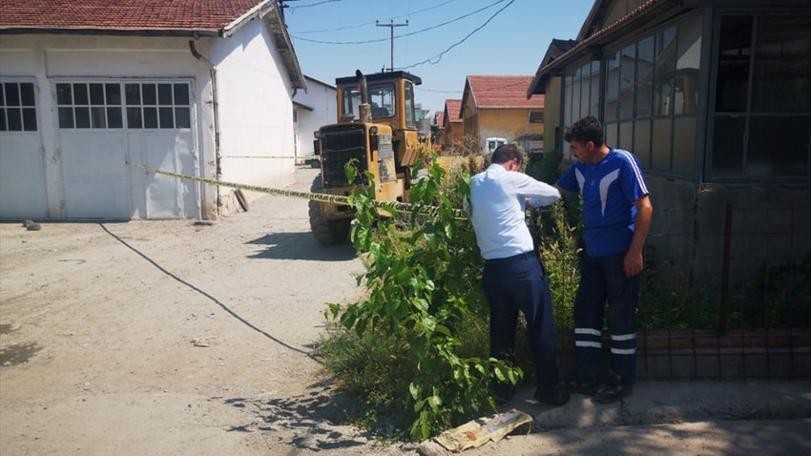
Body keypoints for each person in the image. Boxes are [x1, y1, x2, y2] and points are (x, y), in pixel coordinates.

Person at [556, 116, 653, 403]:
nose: (572, 153)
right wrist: (522, 195)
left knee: (620, 315)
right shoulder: (581, 168)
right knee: (586, 312)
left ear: (589, 145)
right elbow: (557, 190)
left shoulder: (623, 162)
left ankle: (622, 379)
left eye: (575, 147)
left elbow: (646, 207)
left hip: (621, 254)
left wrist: (635, 251)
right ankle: (587, 376)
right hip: (593, 254)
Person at [468, 144, 569, 407]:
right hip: (521, 267)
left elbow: (475, 212)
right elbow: (552, 195)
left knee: (501, 331)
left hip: (493, 269)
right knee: (540, 325)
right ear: (513, 162)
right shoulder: (512, 178)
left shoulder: (475, 183)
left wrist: (520, 201)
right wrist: (528, 198)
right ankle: (549, 389)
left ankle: (502, 389)